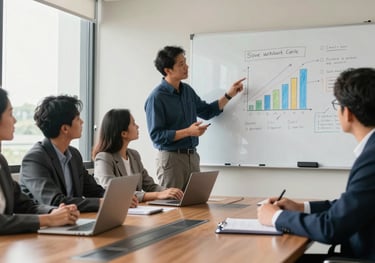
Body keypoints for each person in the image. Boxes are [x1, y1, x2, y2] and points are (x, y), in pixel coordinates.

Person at [257, 67, 375, 262]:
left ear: (348, 113)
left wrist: (275, 218)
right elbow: (352, 206)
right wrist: (302, 207)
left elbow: (331, 228)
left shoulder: (371, 158)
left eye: (338, 104)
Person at [145, 45, 245, 190]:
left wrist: (229, 95)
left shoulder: (187, 91)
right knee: (172, 207)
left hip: (192, 156)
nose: (186, 66)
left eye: (185, 62)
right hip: (171, 159)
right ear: (168, 70)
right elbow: (157, 136)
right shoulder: (157, 97)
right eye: (181, 64)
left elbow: (207, 111)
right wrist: (188, 132)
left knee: (194, 204)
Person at [0, 88, 79, 234]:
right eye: (10, 113)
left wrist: (57, 212)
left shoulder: (1, 162)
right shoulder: (35, 157)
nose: (15, 120)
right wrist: (48, 220)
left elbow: (26, 206)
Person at [19, 95, 105, 212]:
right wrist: (100, 203)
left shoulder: (74, 155)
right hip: (45, 225)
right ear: (65, 129)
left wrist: (114, 198)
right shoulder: (35, 159)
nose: (82, 122)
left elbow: (93, 190)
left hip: (72, 220)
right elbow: (55, 202)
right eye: (78, 119)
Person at [92, 109, 184, 208]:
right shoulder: (104, 158)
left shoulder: (134, 155)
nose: (137, 126)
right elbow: (114, 191)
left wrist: (169, 192)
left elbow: (150, 186)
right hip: (114, 210)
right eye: (133, 124)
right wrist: (158, 195)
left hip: (135, 209)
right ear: (123, 133)